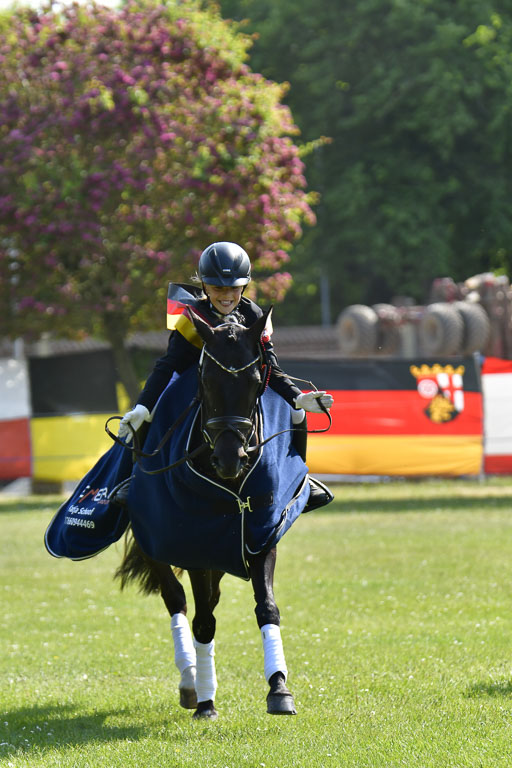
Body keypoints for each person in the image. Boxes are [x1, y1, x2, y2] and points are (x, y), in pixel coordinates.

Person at [118, 241, 334, 511]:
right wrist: (143, 406)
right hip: (194, 383)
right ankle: (132, 479)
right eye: (218, 288)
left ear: (244, 286)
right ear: (204, 286)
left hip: (245, 385)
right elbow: (168, 364)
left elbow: (271, 367)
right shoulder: (192, 314)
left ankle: (300, 479)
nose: (226, 295)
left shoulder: (254, 314)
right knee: (156, 409)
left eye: (233, 287)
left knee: (294, 413)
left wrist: (298, 398)